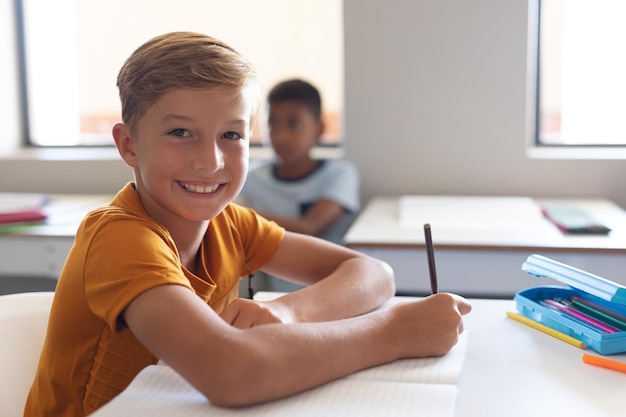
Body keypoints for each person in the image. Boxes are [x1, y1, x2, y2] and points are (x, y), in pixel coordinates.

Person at [24, 31, 471, 416]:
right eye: (180, 132)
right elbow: (230, 371)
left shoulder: (230, 223)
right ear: (129, 145)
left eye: (231, 135)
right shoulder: (120, 238)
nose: (210, 161)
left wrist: (286, 311)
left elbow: (373, 273)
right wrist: (395, 333)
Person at [238, 79, 359, 245]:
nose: (281, 137)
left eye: (294, 124)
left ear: (319, 128)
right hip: (264, 270)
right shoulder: (250, 177)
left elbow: (310, 228)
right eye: (273, 125)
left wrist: (238, 215)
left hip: (329, 270)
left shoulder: (340, 174)